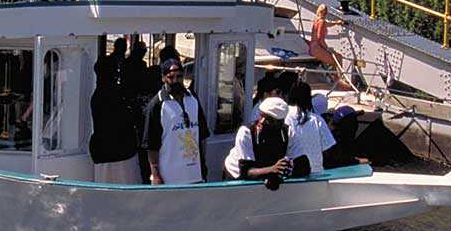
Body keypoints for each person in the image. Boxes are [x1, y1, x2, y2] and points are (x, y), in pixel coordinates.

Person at [223, 75, 310, 184]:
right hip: (237, 173)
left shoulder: (288, 132)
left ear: (280, 123)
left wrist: (285, 169)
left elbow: (304, 165)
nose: (262, 121)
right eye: (261, 116)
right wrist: (272, 170)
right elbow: (246, 171)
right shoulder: (246, 132)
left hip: (265, 170)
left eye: (268, 119)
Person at [144, 56, 208, 185]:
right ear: (163, 78)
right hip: (170, 177)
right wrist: (155, 175)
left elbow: (201, 136)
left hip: (194, 175)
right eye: (171, 77)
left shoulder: (193, 99)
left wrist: (202, 166)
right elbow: (151, 145)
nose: (175, 80)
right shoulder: (157, 105)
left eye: (179, 76)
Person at [89, 50, 142, 183]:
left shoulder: (97, 95)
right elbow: (127, 119)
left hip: (102, 152)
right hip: (121, 153)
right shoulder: (116, 94)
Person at [285, 75, 337, 175]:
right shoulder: (317, 119)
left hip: (293, 173)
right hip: (317, 173)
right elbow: (329, 149)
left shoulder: (284, 116)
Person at [308, 3, 350, 86]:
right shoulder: (322, 22)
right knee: (337, 59)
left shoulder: (317, 20)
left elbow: (327, 24)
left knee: (337, 57)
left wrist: (337, 22)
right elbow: (320, 38)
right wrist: (327, 49)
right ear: (325, 13)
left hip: (313, 47)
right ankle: (338, 80)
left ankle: (336, 79)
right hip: (317, 48)